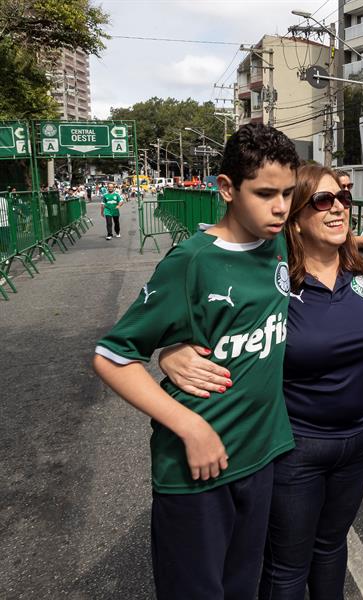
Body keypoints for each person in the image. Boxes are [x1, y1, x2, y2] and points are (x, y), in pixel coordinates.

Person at [159, 164, 363, 600]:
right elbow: (209, 283)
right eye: (322, 200)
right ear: (296, 216)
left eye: (343, 198)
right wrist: (172, 346)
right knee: (287, 565)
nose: (338, 207)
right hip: (294, 446)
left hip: (359, 440)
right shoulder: (271, 275)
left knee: (331, 545)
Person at [92, 123, 302, 599]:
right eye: (265, 193)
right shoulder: (191, 261)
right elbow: (111, 357)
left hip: (260, 454)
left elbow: (329, 238)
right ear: (226, 188)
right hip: (198, 467)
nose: (281, 207)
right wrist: (190, 426)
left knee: (242, 587)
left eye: (288, 193)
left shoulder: (278, 242)